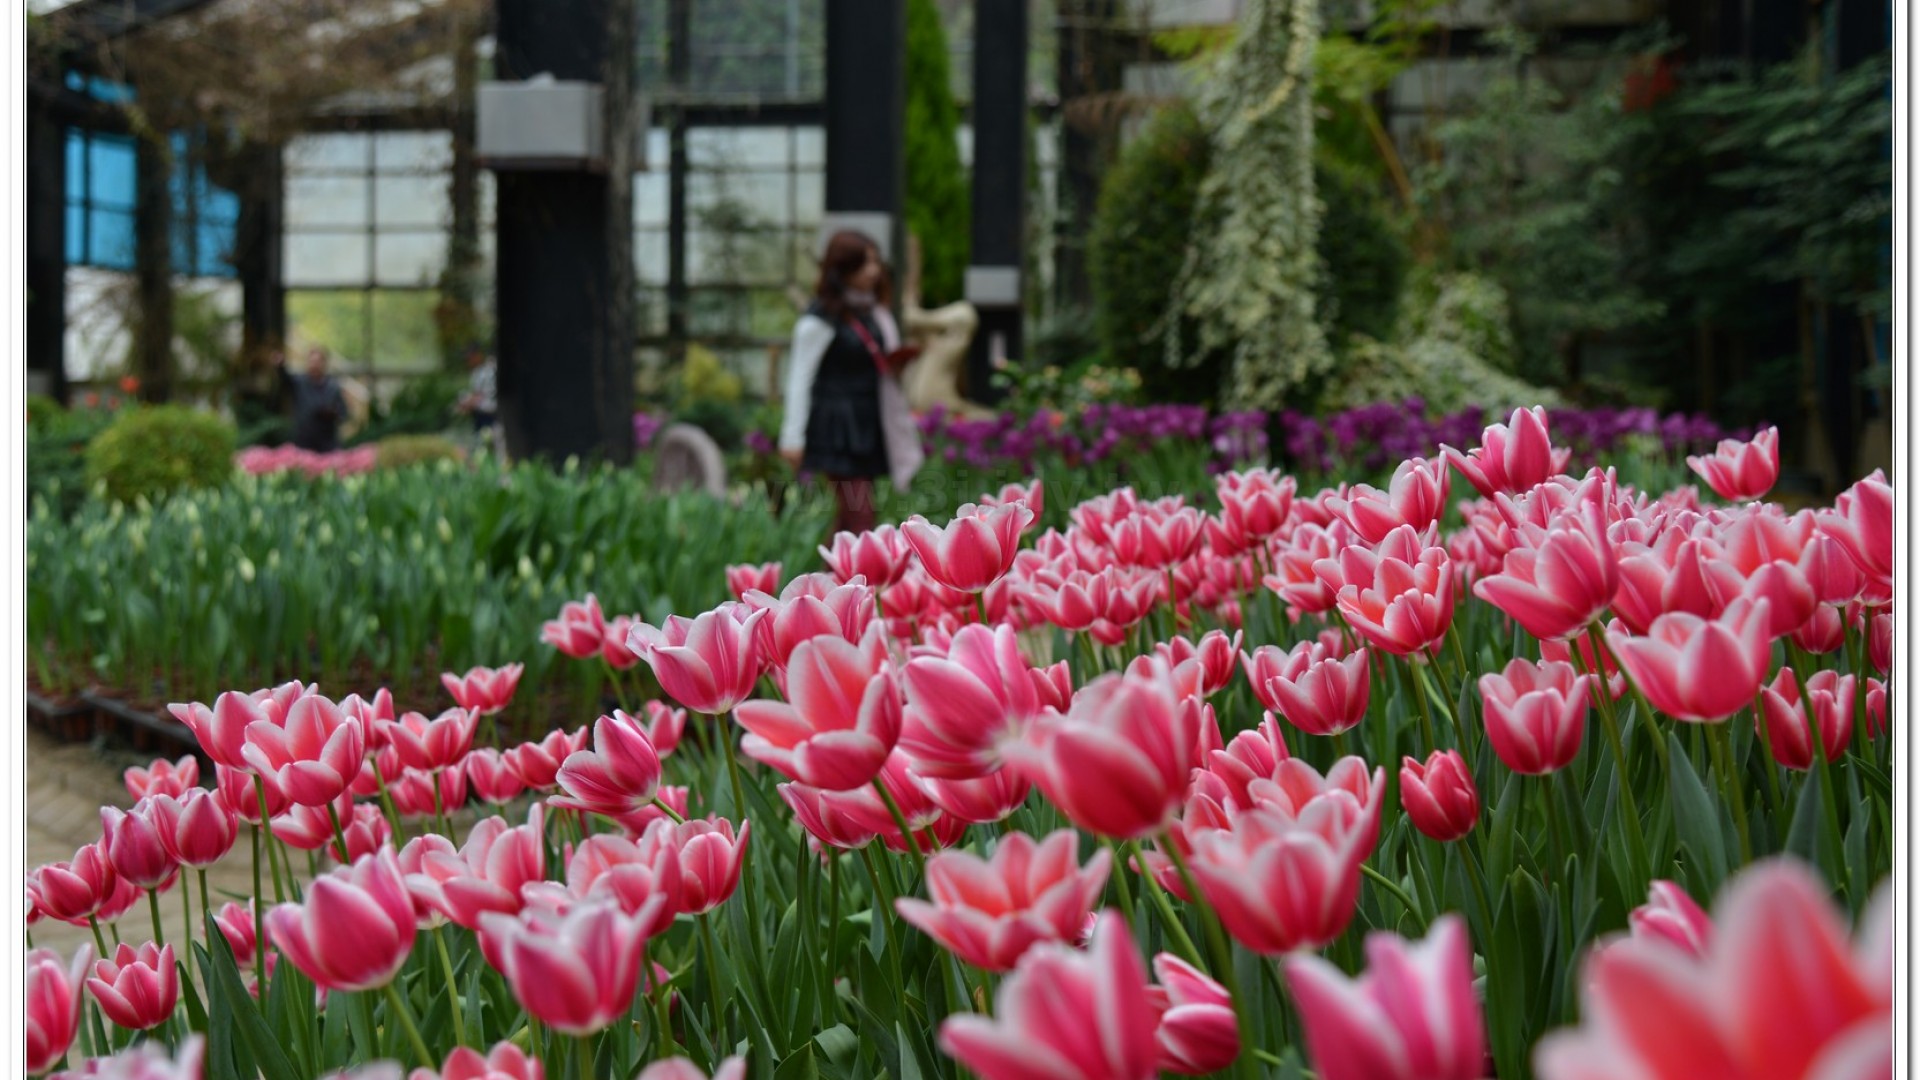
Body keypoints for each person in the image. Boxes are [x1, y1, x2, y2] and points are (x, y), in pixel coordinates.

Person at [779, 231, 924, 534]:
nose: (874, 270)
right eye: (863, 263)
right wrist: (792, 439)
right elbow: (800, 379)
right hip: (838, 428)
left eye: (874, 261)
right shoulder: (820, 319)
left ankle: (832, 578)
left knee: (851, 519)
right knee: (860, 517)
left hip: (867, 422)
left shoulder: (875, 314)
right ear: (842, 270)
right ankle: (854, 577)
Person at [274, 346, 349, 452]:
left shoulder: (333, 387)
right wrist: (280, 367)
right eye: (312, 361)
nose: (314, 365)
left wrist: (332, 413)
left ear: (324, 363)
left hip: (327, 443)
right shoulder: (299, 382)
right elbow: (286, 379)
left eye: (318, 362)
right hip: (303, 442)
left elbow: (344, 414)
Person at [456, 345, 499, 434]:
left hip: (490, 415)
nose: (468, 361)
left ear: (478, 355)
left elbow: (483, 395)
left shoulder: (488, 370)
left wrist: (468, 403)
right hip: (480, 414)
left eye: (470, 357)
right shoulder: (476, 372)